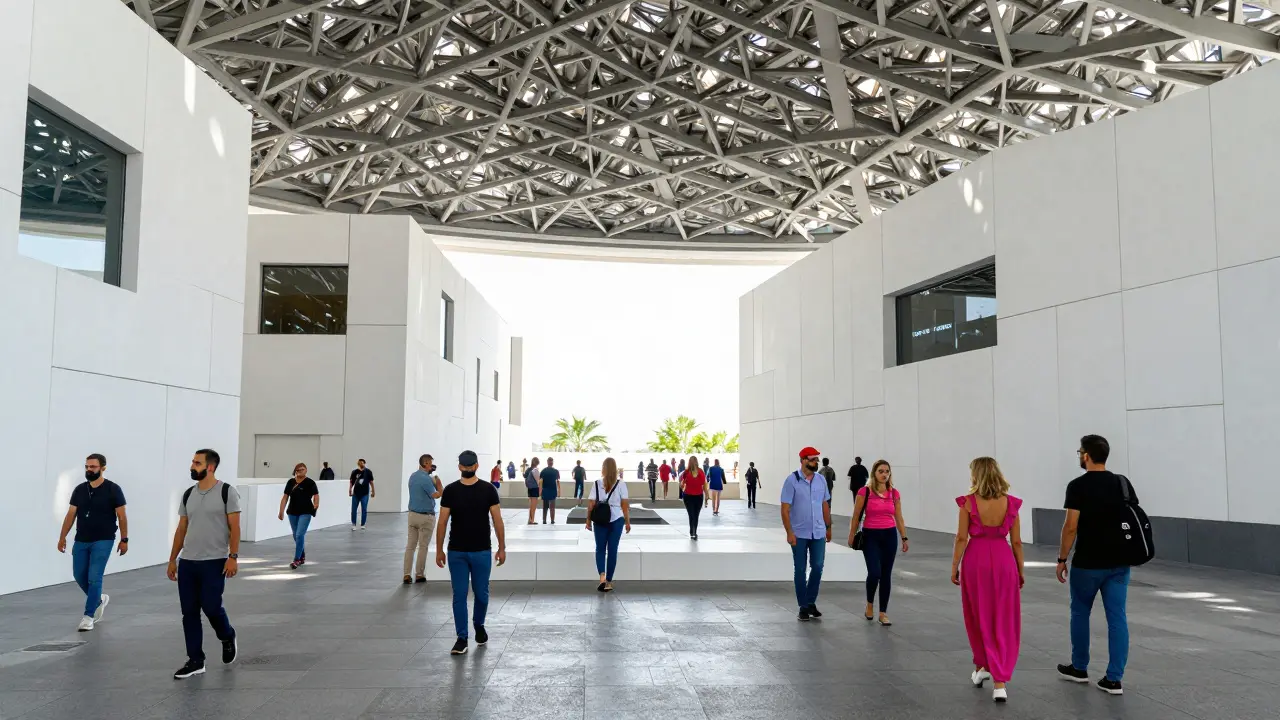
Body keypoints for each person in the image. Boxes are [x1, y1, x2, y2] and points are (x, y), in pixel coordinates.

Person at [1056, 434, 1134, 696]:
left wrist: (1062, 559)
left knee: (1080, 612)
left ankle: (1079, 668)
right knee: (1117, 617)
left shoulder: (1078, 486)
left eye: (1080, 451)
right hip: (1120, 562)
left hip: (1088, 562)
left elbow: (1070, 527)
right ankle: (1114, 679)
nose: (1079, 456)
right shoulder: (1122, 483)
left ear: (1086, 455)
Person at [952, 457, 1024, 703]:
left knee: (978, 614)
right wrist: (1020, 570)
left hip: (976, 561)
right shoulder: (1010, 503)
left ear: (976, 475)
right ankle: (995, 678)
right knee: (1002, 617)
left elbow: (961, 538)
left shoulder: (968, 503)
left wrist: (954, 566)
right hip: (1004, 561)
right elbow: (1016, 541)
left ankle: (988, 669)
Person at [169, 449, 240, 679]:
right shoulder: (188, 494)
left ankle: (227, 635)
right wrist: (172, 559)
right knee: (189, 613)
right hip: (188, 562)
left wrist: (233, 556)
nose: (192, 466)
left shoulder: (227, 492)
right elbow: (181, 528)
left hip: (215, 560)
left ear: (210, 467)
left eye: (196, 463)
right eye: (192, 461)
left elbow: (235, 527)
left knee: (211, 607)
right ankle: (195, 660)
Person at [435, 450, 506, 655]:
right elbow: (442, 522)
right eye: (464, 466)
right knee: (459, 595)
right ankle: (461, 637)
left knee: (481, 594)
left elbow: (497, 520)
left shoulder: (488, 490)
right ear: (460, 467)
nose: (466, 469)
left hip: (482, 550)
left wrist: (502, 547)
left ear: (475, 466)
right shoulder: (450, 491)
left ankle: (479, 624)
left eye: (468, 466)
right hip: (456, 551)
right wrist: (439, 549)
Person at [57, 453, 128, 632]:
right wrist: (62, 536)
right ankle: (98, 600)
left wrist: (124, 539)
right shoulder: (80, 490)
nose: (89, 470)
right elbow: (71, 514)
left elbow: (122, 516)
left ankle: (88, 617)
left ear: (103, 468)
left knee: (94, 577)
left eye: (93, 467)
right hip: (81, 539)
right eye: (87, 467)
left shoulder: (113, 489)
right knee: (79, 575)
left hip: (104, 539)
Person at [851, 459, 910, 625]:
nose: (884, 474)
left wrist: (904, 537)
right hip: (871, 535)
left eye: (887, 471)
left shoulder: (894, 493)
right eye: (881, 471)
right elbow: (856, 515)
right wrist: (851, 534)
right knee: (875, 572)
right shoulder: (865, 492)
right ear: (874, 474)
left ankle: (883, 612)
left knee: (886, 575)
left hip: (889, 535)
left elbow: (898, 516)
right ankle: (870, 603)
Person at [781, 447, 831, 621]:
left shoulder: (821, 480)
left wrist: (828, 526)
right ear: (802, 460)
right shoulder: (791, 481)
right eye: (812, 459)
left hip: (818, 532)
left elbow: (825, 504)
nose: (815, 462)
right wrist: (789, 532)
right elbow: (785, 509)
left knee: (817, 567)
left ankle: (811, 602)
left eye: (817, 459)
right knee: (801, 569)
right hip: (799, 533)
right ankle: (803, 606)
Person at [585, 457, 631, 592]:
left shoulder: (597, 483)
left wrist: (588, 520)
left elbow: (591, 504)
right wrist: (627, 522)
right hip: (617, 520)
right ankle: (609, 581)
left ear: (603, 468)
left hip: (600, 519)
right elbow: (624, 506)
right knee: (612, 550)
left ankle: (602, 577)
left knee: (600, 548)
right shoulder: (621, 484)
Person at [405, 454, 443, 584]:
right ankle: (419, 574)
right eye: (430, 464)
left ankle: (406, 574)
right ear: (426, 463)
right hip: (426, 517)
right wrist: (438, 483)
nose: (432, 466)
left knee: (410, 546)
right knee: (423, 546)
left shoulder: (412, 476)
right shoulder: (426, 479)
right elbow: (437, 495)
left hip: (412, 515)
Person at [278, 463, 319, 570]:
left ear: (306, 470)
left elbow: (316, 495)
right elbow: (285, 497)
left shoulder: (310, 482)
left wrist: (316, 505)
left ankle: (296, 559)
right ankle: (302, 555)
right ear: (295, 471)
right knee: (296, 535)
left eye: (302, 469)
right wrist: (281, 511)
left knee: (300, 534)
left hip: (305, 512)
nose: (300, 471)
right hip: (292, 512)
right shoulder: (291, 482)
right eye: (298, 470)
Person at [679, 456, 706, 539]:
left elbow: (704, 484)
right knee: (693, 514)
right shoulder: (687, 472)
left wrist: (682, 487)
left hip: (694, 496)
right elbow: (704, 484)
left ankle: (693, 531)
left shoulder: (698, 472)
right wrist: (707, 495)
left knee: (693, 515)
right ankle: (693, 532)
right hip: (692, 496)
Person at [349, 459, 375, 530]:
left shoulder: (368, 472)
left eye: (362, 463)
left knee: (364, 509)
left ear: (364, 463)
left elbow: (371, 482)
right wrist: (350, 489)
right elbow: (352, 482)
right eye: (360, 463)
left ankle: (363, 524)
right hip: (356, 493)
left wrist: (373, 491)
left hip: (365, 493)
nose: (361, 464)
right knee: (354, 509)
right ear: (358, 463)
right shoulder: (354, 472)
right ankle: (354, 524)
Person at [540, 458, 561, 523]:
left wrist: (540, 491)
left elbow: (540, 481)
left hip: (545, 489)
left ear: (547, 462)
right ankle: (552, 520)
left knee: (545, 506)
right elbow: (558, 481)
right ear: (552, 463)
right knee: (552, 506)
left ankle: (544, 520)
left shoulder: (543, 471)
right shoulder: (556, 471)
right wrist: (559, 491)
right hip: (553, 490)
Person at [524, 457, 541, 524]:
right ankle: (531, 520)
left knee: (531, 505)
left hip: (529, 488)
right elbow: (538, 481)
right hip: (534, 488)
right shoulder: (535, 470)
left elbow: (525, 476)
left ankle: (530, 519)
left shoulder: (528, 469)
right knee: (533, 506)